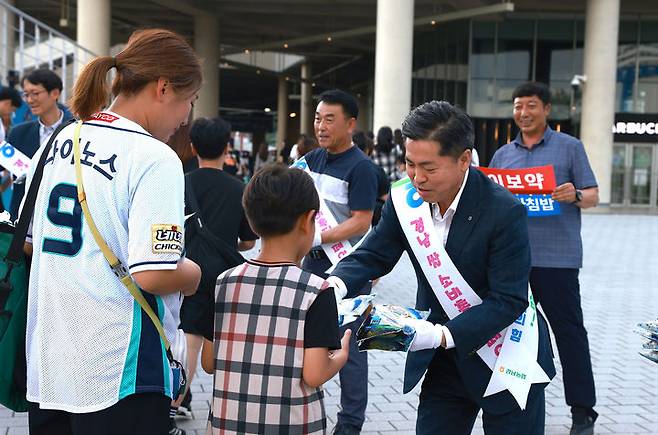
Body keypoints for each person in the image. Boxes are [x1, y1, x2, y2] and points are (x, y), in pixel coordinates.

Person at [326, 101, 555, 435]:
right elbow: (373, 254)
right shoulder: (405, 201)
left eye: (429, 168)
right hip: (444, 361)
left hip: (507, 357)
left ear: (464, 159)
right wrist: (334, 285)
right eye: (409, 164)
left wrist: (441, 334)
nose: (417, 177)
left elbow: (509, 299)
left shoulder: (504, 211)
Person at [20, 29, 202, 435]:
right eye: (188, 102)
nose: (186, 117)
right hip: (118, 368)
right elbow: (153, 274)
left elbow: (31, 244)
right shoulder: (154, 158)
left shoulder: (58, 142)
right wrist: (194, 275)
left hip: (49, 363)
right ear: (163, 87)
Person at [201, 164, 351, 434]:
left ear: (250, 220)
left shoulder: (223, 282)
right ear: (308, 221)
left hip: (229, 425)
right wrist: (341, 355)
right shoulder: (317, 291)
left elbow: (209, 363)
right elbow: (315, 374)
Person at [488, 81, 599, 435]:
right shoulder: (503, 155)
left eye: (531, 105)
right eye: (519, 106)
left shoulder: (569, 148)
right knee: (506, 334)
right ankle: (508, 403)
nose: (523, 112)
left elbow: (594, 195)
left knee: (569, 334)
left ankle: (583, 412)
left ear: (547, 109)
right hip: (511, 261)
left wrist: (575, 193)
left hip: (557, 260)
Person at [302, 89, 380, 435]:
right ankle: (302, 410)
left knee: (351, 348)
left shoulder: (362, 168)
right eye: (318, 118)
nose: (321, 125)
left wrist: (319, 237)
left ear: (350, 124)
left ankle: (349, 425)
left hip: (347, 270)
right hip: (311, 266)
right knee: (306, 341)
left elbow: (362, 221)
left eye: (329, 119)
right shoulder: (310, 159)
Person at [177, 117, 258, 418]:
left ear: (193, 146)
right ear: (227, 148)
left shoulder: (179, 181)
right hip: (223, 275)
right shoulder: (240, 188)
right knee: (214, 338)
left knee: (188, 335)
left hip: (182, 269)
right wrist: (224, 245)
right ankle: (219, 404)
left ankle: (177, 398)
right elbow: (249, 242)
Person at [7, 69, 74, 219]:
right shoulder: (18, 134)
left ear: (55, 93)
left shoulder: (78, 130)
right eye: (26, 94)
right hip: (24, 220)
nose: (29, 100)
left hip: (62, 217)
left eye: (35, 93)